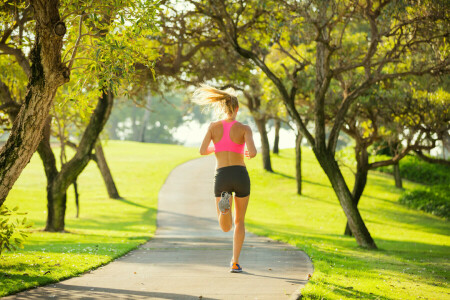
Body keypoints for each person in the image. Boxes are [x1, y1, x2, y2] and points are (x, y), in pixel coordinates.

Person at [193, 84, 257, 273]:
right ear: (237, 109)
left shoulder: (213, 127)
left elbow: (202, 150)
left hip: (222, 175)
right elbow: (252, 152)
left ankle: (224, 208)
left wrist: (216, 148)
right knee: (240, 222)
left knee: (225, 226)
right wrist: (246, 151)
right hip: (240, 174)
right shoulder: (245, 128)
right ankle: (235, 262)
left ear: (221, 107)